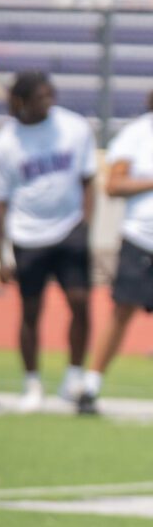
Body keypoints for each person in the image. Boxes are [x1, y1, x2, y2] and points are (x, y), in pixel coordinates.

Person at [0, 71, 95, 413]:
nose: (48, 102)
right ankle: (32, 383)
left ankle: (74, 377)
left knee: (80, 303)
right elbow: (0, 203)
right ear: (21, 101)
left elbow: (88, 179)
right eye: (40, 97)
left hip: (70, 229)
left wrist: (86, 223)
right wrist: (2, 253)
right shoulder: (5, 142)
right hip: (27, 235)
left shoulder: (75, 127)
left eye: (51, 95)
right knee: (30, 311)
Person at [79, 91, 153, 415]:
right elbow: (113, 185)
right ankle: (90, 385)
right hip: (141, 238)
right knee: (122, 311)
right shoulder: (137, 134)